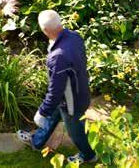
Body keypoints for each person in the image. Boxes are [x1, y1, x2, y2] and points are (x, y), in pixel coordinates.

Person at [17, 10, 97, 164]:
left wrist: (42, 111)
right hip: (79, 91)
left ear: (45, 31)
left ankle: (89, 156)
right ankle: (37, 141)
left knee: (76, 132)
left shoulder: (58, 57)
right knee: (53, 116)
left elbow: (55, 92)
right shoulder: (74, 37)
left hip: (71, 103)